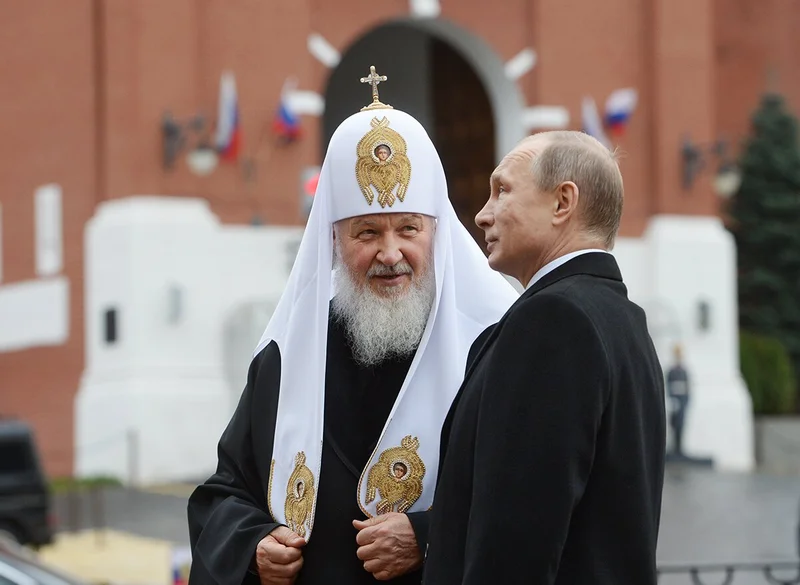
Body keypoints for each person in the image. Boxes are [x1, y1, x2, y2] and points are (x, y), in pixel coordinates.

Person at [187, 68, 518, 585]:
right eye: (367, 233)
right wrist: (253, 545)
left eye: (408, 229)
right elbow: (225, 493)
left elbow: (531, 492)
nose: (391, 253)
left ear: (437, 233)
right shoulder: (286, 355)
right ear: (334, 241)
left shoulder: (494, 343)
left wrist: (428, 536)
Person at [423, 131, 666, 585]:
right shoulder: (621, 316)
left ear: (562, 203)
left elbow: (515, 542)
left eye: (502, 190)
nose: (482, 214)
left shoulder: (552, 321)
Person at [666, 343, 691, 456]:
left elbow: (687, 388)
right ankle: (674, 447)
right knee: (674, 424)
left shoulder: (684, 372)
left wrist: (686, 401)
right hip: (675, 400)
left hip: (682, 401)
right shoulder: (671, 372)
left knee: (681, 425)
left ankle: (679, 448)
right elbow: (669, 386)